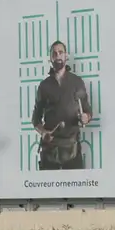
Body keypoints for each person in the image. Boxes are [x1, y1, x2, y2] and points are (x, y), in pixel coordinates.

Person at [31, 41, 92, 170]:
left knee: (76, 183)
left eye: (60, 52)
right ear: (50, 58)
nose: (57, 55)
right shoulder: (44, 86)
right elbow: (35, 120)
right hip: (49, 150)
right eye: (54, 53)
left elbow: (88, 111)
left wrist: (86, 117)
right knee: (47, 183)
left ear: (66, 56)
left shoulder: (77, 82)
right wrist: (43, 132)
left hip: (72, 149)